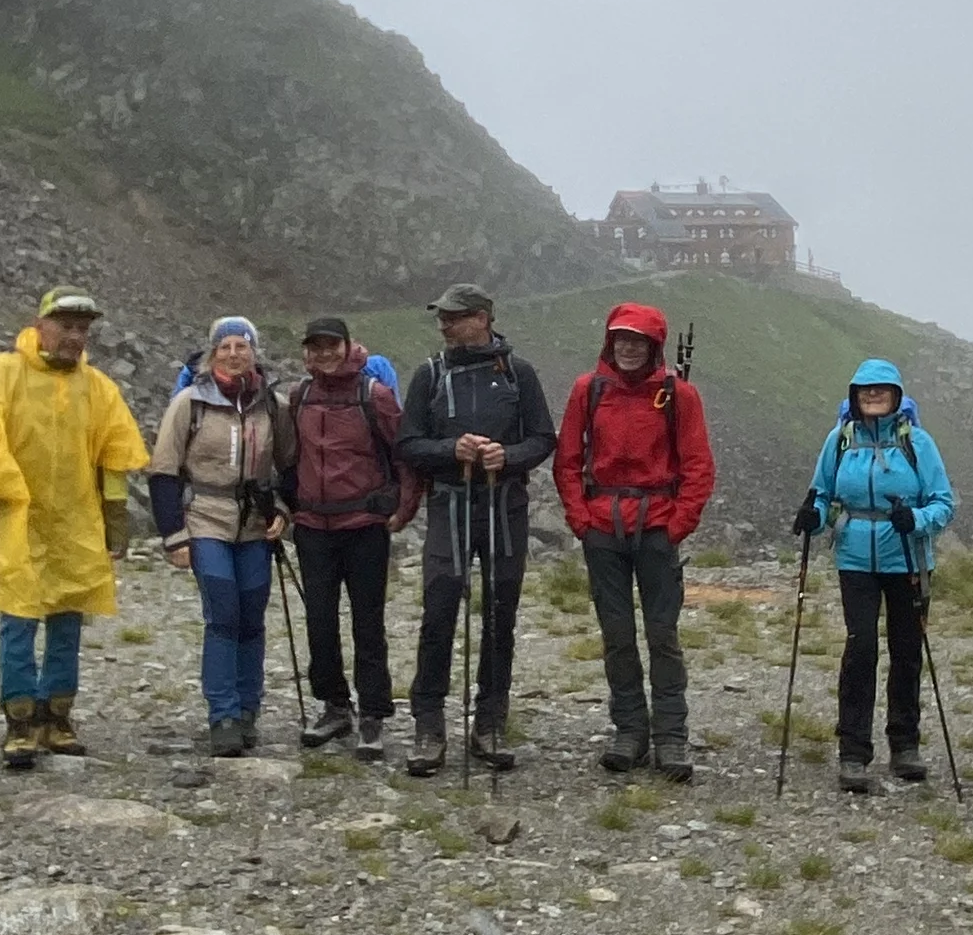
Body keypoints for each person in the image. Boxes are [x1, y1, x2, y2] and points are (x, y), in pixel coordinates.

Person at [0, 285, 148, 766]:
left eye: (83, 329)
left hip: (75, 522)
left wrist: (116, 525)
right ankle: (21, 721)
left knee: (69, 615)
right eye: (66, 326)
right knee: (20, 617)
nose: (75, 337)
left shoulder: (98, 389)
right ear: (40, 325)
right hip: (17, 522)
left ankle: (57, 717)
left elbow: (114, 460)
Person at [396, 282, 556, 774]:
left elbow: (543, 437)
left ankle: (490, 723)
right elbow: (408, 443)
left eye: (455, 316)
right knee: (440, 607)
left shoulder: (518, 373)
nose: (444, 325)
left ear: (483, 317)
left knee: (499, 614)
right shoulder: (428, 374)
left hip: (504, 506)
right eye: (442, 317)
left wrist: (506, 456)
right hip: (450, 505)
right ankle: (428, 726)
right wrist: (452, 451)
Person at [553, 302, 715, 781]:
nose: (627, 347)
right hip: (603, 529)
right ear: (609, 341)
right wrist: (581, 520)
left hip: (656, 528)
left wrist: (677, 525)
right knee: (618, 635)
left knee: (662, 636)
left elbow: (698, 466)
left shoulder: (679, 395)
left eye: (638, 340)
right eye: (621, 338)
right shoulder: (588, 390)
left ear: (654, 346)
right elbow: (567, 459)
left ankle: (670, 738)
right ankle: (629, 731)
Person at [793, 356, 954, 794]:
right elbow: (823, 493)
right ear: (854, 396)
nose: (873, 395)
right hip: (855, 559)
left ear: (897, 395)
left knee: (906, 650)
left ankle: (904, 746)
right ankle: (853, 751)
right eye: (865, 390)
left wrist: (916, 520)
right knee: (860, 648)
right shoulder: (840, 440)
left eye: (881, 389)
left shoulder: (917, 443)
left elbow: (944, 502)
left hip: (908, 559)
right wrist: (815, 515)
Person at [147, 317, 297, 758]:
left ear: (254, 352)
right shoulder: (189, 404)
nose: (234, 353)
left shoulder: (274, 405)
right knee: (223, 611)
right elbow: (164, 471)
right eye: (225, 346)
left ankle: (249, 709)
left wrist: (285, 511)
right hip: (206, 517)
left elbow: (290, 465)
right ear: (212, 354)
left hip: (255, 524)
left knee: (252, 614)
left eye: (242, 345)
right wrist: (173, 535)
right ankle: (223, 715)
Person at [284, 314, 418, 758]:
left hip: (363, 526)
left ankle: (373, 713)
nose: (325, 354)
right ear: (307, 352)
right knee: (319, 621)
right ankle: (335, 706)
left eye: (332, 345)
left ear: (347, 346)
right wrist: (287, 507)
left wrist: (403, 507)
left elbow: (404, 455)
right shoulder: (299, 396)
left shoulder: (373, 395)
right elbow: (287, 457)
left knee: (368, 621)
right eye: (316, 346)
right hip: (313, 526)